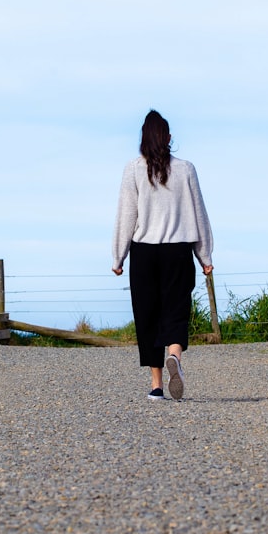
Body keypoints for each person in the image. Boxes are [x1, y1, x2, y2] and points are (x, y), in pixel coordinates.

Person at [112, 110, 214, 401]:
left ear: (143, 138)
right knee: (176, 310)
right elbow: (199, 215)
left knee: (147, 316)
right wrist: (204, 256)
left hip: (144, 253)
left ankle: (156, 386)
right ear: (168, 138)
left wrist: (118, 257)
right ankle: (175, 357)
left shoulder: (133, 169)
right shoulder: (186, 169)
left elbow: (126, 216)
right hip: (178, 250)